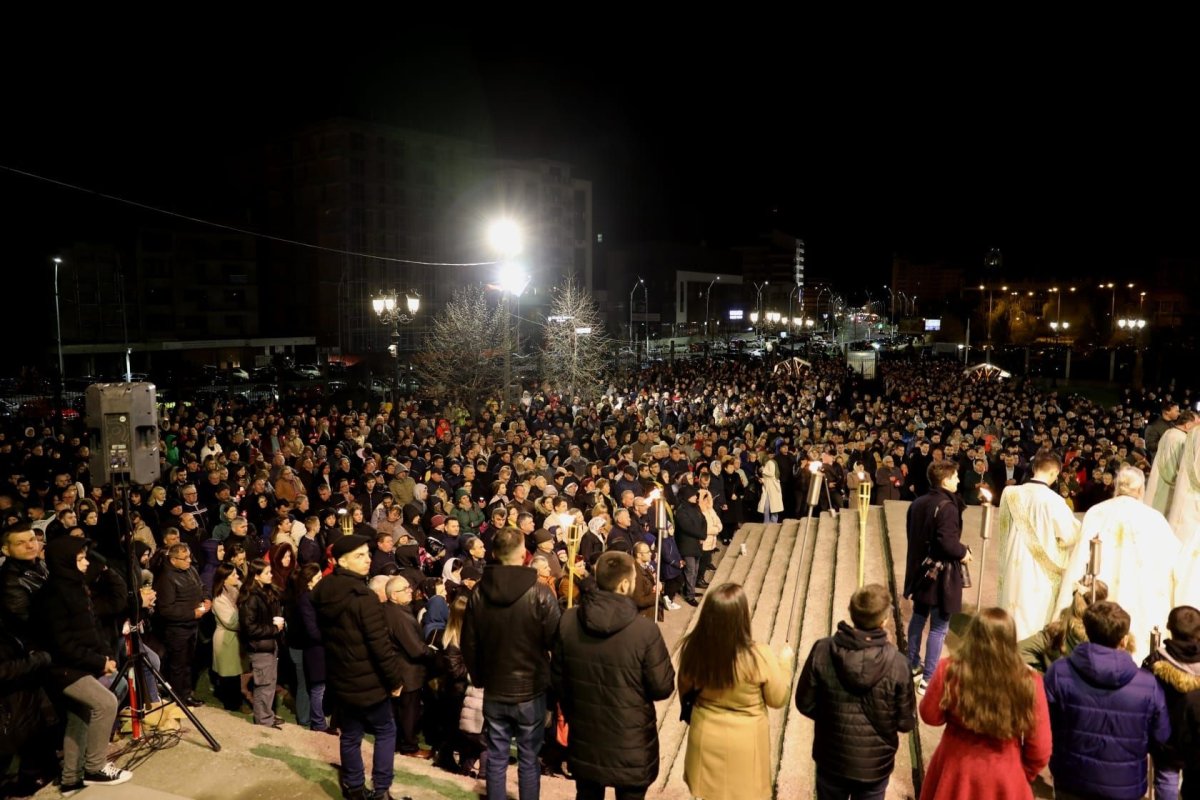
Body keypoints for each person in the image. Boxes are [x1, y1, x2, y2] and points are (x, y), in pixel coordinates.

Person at [551, 551, 674, 800]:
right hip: (631, 741)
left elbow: (557, 681)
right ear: (625, 584)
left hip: (586, 736)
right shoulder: (644, 631)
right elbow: (662, 686)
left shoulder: (569, 620)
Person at [462, 527, 561, 800]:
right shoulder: (541, 593)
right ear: (523, 554)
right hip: (530, 688)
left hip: (496, 686)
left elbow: (469, 644)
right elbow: (557, 642)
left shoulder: (479, 593)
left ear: (494, 554)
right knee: (529, 758)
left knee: (496, 754)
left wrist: (480, 677)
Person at [795, 583, 915, 800]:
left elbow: (805, 703)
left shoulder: (822, 650)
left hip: (831, 757)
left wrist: (832, 718)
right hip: (874, 767)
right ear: (884, 620)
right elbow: (905, 722)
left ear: (851, 613)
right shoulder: (899, 664)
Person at [918, 608, 1051, 799]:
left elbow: (930, 715)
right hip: (1004, 777)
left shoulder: (949, 669)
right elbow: (1040, 748)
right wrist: (1019, 774)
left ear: (973, 634)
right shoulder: (1030, 682)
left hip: (955, 771)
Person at [34, 537, 134, 792]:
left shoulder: (76, 587)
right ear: (64, 561)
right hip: (62, 668)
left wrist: (105, 655)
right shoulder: (53, 594)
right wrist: (100, 661)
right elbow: (63, 644)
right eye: (80, 558)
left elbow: (90, 629)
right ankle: (95, 766)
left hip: (79, 663)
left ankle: (71, 777)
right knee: (106, 702)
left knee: (79, 716)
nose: (86, 562)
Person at [678, 583, 793, 800]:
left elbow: (684, 691)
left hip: (705, 736)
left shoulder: (693, 648)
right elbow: (778, 699)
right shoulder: (758, 656)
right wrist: (785, 665)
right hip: (746, 745)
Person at [313, 534, 407, 800]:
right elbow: (380, 646)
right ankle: (381, 790)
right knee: (386, 730)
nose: (367, 560)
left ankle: (354, 788)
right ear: (342, 561)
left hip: (342, 679)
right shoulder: (364, 598)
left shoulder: (323, 591)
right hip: (368, 683)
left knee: (351, 734)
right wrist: (395, 681)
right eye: (359, 556)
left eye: (367, 554)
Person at [1045, 600, 1170, 800]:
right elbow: (1161, 738)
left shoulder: (1059, 672)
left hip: (1071, 780)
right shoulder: (1148, 685)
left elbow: (1045, 724)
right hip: (1125, 786)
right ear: (1123, 640)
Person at [1054, 466, 1180, 664]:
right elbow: (1174, 559)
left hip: (1101, 590)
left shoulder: (1097, 512)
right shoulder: (1155, 519)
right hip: (1140, 592)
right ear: (1140, 490)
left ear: (1117, 487)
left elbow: (1080, 555)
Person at [996, 450, 1082, 640]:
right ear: (1054, 473)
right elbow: (1069, 535)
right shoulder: (1055, 501)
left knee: (1012, 607)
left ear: (1034, 468)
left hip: (1013, 561)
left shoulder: (1010, 493)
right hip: (1041, 570)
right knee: (1032, 614)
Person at [903, 460, 971, 691]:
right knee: (939, 627)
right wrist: (964, 552)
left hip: (920, 570)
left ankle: (912, 664)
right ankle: (928, 679)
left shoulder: (918, 502)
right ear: (945, 480)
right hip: (940, 574)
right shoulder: (948, 506)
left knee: (918, 616)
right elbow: (947, 543)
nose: (959, 481)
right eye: (955, 477)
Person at [1142, 605, 1200, 800]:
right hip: (1197, 736)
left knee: (1166, 777)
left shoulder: (1155, 660)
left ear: (1169, 627)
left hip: (1166, 737)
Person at [382, 574, 434, 759]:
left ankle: (400, 743)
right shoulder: (399, 615)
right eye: (405, 589)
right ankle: (409, 747)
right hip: (407, 671)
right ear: (393, 595)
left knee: (400, 711)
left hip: (400, 669)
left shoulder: (392, 610)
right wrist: (431, 651)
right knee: (408, 712)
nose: (410, 590)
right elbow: (415, 648)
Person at [153, 542, 208, 706]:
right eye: (184, 558)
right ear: (173, 560)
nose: (189, 561)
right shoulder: (166, 578)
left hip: (193, 626)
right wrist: (192, 613)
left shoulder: (190, 570)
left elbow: (201, 586)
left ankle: (186, 694)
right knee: (178, 665)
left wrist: (206, 598)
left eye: (189, 557)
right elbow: (166, 610)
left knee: (188, 662)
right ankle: (179, 699)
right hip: (177, 630)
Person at [1145, 410, 1196, 516]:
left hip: (1157, 479)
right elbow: (1182, 467)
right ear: (1188, 425)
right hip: (1168, 485)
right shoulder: (1182, 440)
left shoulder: (1168, 433)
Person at [673, 485, 706, 607]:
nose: (695, 497)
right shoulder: (681, 510)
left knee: (695, 569)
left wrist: (703, 535)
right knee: (690, 570)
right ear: (687, 496)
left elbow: (704, 520)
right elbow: (686, 527)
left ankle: (690, 590)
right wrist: (701, 535)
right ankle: (689, 595)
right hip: (687, 544)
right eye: (693, 495)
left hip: (696, 542)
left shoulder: (695, 507)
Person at [757, 448, 783, 523]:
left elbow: (771, 474)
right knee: (766, 507)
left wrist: (763, 470)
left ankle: (773, 523)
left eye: (759, 456)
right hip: (768, 487)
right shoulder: (766, 464)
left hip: (773, 488)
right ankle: (766, 523)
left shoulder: (770, 462)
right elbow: (769, 478)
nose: (758, 458)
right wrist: (762, 480)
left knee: (774, 507)